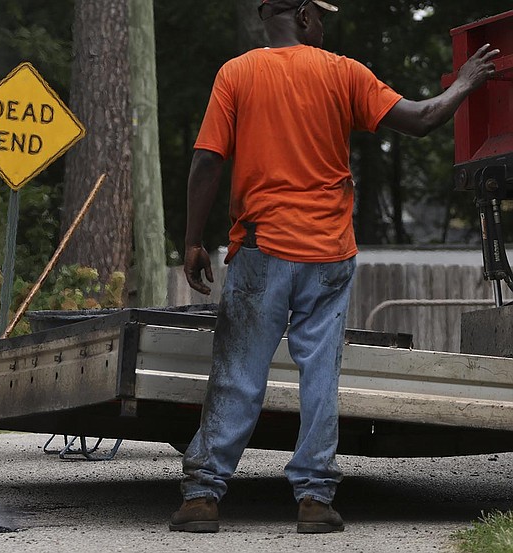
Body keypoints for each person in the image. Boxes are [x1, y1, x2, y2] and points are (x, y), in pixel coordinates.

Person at [170, 0, 499, 534]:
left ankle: (203, 495)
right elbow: (420, 118)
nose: (323, 26)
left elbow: (207, 159)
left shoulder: (237, 74)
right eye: (320, 16)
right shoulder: (341, 71)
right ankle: (315, 498)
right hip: (327, 254)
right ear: (302, 15)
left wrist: (191, 240)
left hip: (262, 250)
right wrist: (464, 82)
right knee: (319, 375)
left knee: (239, 374)